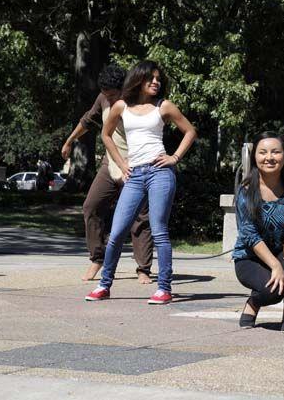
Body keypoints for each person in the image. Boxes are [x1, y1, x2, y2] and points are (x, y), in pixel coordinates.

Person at [85, 60, 197, 304]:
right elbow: (105, 134)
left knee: (159, 230)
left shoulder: (163, 106)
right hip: (135, 174)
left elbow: (190, 131)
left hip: (160, 173)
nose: (156, 82)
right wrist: (122, 164)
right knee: (116, 232)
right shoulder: (121, 106)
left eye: (158, 79)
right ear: (138, 80)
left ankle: (164, 288)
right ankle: (104, 285)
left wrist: (174, 157)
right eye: (150, 78)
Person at [61, 64, 154, 283]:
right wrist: (69, 141)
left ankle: (143, 268)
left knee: (140, 217)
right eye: (106, 95)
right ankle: (97, 257)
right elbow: (87, 120)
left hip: (137, 166)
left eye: (113, 95)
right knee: (91, 206)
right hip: (111, 164)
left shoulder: (139, 102)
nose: (109, 100)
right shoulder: (103, 99)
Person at [233, 132, 284, 333]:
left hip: (282, 251)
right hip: (249, 257)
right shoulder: (246, 191)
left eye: (275, 152)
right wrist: (276, 265)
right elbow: (249, 235)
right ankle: (253, 303)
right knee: (272, 291)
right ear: (254, 157)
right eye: (263, 152)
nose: (269, 157)